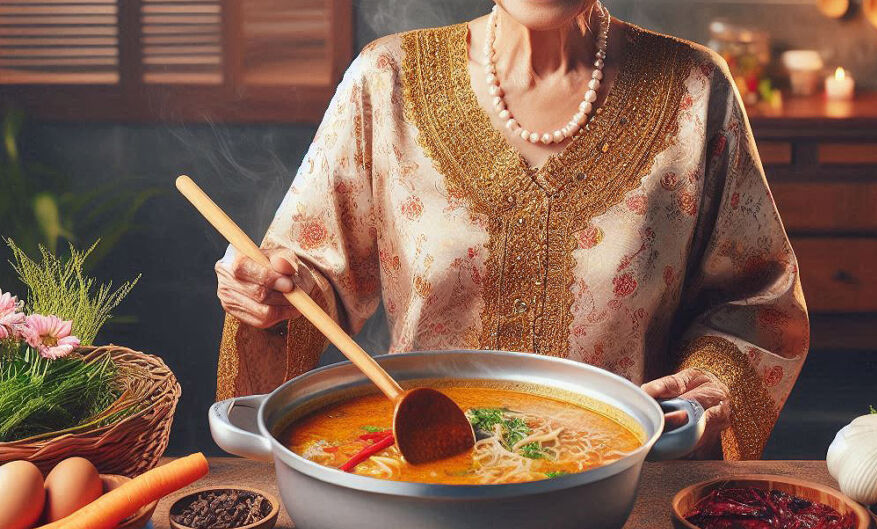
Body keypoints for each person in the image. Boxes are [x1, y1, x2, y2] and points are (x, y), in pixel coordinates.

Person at [215, 0, 809, 460]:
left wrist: (712, 388)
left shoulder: (695, 90)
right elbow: (308, 274)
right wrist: (271, 294)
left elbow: (754, 305)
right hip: (417, 471)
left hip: (623, 486)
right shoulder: (386, 79)